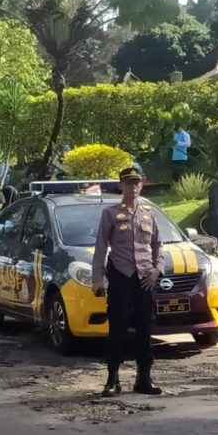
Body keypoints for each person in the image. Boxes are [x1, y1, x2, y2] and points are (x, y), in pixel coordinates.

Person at [92, 167, 165, 397]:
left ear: (141, 186)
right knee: (118, 328)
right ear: (121, 185)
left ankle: (144, 378)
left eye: (137, 182)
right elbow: (101, 246)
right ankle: (112, 379)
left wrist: (157, 270)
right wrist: (97, 280)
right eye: (129, 182)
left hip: (144, 278)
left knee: (145, 328)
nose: (133, 186)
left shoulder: (148, 214)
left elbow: (157, 246)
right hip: (121, 275)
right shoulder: (111, 213)